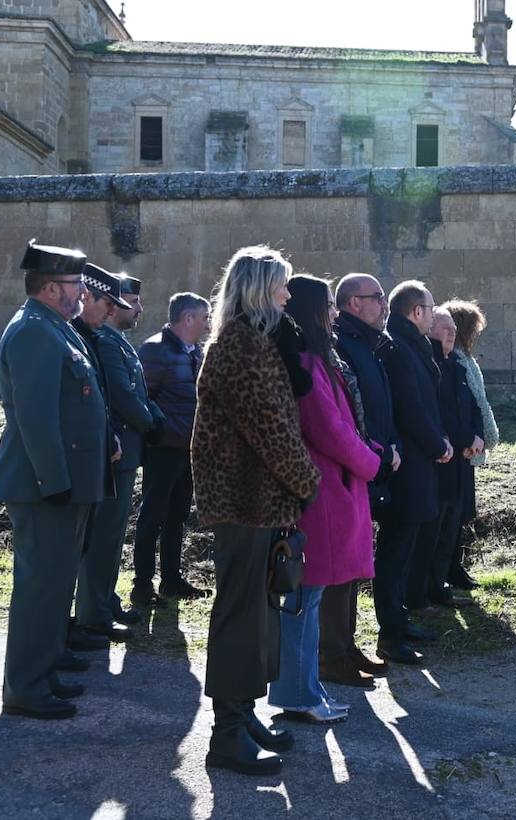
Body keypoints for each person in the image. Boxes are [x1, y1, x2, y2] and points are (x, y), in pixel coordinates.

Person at [192, 245, 320, 776]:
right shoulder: (241, 347)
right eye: (281, 286)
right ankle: (226, 736)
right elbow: (270, 428)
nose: (289, 296)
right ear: (257, 290)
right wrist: (308, 483)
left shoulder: (258, 343)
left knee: (259, 618)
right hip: (243, 501)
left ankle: (243, 715)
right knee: (240, 619)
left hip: (262, 501)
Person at [0, 240, 113, 720]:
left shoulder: (55, 328)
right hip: (44, 484)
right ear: (47, 287)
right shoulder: (34, 333)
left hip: (64, 481)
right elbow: (35, 417)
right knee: (41, 585)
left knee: (56, 582)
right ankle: (26, 684)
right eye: (74, 285)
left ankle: (44, 664)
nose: (81, 293)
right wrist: (54, 481)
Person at [269, 275, 385, 721]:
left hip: (332, 489)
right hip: (321, 496)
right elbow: (330, 429)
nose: (335, 314)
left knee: (310, 599)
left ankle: (306, 688)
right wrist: (371, 462)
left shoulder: (318, 358)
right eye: (329, 307)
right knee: (303, 599)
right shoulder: (306, 361)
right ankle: (298, 694)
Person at [327, 273, 400, 686]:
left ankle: (346, 643)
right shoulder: (343, 346)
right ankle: (332, 650)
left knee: (354, 562)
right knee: (339, 565)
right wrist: (376, 452)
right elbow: (348, 417)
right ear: (354, 303)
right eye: (377, 298)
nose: (383, 305)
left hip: (371, 462)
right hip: (354, 465)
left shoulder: (368, 344)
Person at [82, 272, 166, 633]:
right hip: (116, 449)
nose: (138, 309)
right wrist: (150, 421)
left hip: (127, 450)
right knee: (104, 535)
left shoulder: (117, 342)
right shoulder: (105, 341)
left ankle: (104, 599)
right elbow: (120, 394)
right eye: (132, 301)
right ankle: (95, 608)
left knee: (114, 534)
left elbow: (139, 391)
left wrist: (155, 417)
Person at [376, 280, 452, 665]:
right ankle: (389, 634)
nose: (435, 312)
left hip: (418, 461)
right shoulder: (400, 348)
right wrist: (439, 444)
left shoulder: (412, 344)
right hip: (407, 465)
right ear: (415, 312)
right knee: (394, 550)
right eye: (431, 306)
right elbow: (410, 408)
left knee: (405, 548)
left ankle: (399, 621)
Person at [69, 264, 138, 644]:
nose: (113, 311)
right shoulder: (72, 336)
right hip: (78, 459)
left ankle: (89, 616)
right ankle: (82, 620)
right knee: (84, 546)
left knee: (99, 541)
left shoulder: (90, 337)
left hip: (99, 452)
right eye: (106, 303)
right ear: (87, 298)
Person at [134, 292, 212, 606]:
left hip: (189, 449)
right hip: (163, 448)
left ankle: (171, 579)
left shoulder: (197, 353)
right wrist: (158, 433)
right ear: (188, 318)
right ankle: (142, 584)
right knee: (152, 515)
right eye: (204, 317)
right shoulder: (154, 351)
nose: (208, 325)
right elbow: (142, 398)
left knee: (177, 517)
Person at [409, 308, 483, 614]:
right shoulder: (432, 365)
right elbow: (442, 413)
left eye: (453, 328)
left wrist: (477, 438)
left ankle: (441, 586)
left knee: (452, 526)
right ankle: (421, 593)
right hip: (441, 461)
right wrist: (467, 439)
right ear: (429, 330)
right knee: (433, 530)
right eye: (444, 327)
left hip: (462, 460)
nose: (451, 332)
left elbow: (472, 406)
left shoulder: (456, 364)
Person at [444, 299, 498, 590]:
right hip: (460, 448)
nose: (476, 335)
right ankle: (449, 569)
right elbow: (457, 408)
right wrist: (469, 438)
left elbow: (480, 404)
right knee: (454, 513)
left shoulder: (466, 359)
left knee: (464, 511)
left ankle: (457, 566)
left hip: (471, 446)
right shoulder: (452, 361)